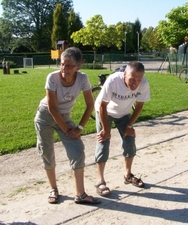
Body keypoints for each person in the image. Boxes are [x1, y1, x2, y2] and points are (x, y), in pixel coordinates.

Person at [34, 47, 100, 205]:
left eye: (69, 65)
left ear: (78, 67)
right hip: (45, 116)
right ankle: (54, 189)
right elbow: (52, 108)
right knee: (47, 152)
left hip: (64, 116)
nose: (64, 68)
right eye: (62, 64)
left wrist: (79, 129)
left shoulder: (83, 79)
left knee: (77, 150)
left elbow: (90, 105)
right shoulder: (53, 77)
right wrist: (67, 130)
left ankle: (80, 194)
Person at [94, 61, 150, 196]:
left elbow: (139, 106)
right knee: (103, 142)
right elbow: (102, 106)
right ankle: (100, 181)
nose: (135, 83)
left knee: (129, 140)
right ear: (124, 74)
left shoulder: (143, 84)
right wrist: (106, 130)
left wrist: (129, 126)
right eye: (132, 79)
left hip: (124, 113)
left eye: (138, 79)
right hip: (104, 112)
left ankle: (128, 175)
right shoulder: (113, 81)